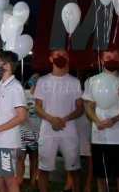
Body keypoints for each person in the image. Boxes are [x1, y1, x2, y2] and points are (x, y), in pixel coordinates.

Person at [83, 49, 119, 192]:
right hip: (100, 137)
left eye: (115, 57)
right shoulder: (92, 81)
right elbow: (88, 105)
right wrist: (97, 121)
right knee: (101, 176)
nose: (111, 60)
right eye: (108, 57)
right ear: (102, 60)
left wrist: (114, 120)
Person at [34, 49, 84, 192]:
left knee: (74, 169)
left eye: (64, 55)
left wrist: (64, 119)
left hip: (69, 130)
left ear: (68, 59)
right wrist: (52, 120)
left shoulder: (74, 82)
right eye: (57, 55)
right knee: (44, 169)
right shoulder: (43, 81)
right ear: (51, 59)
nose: (61, 57)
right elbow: (38, 107)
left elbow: (80, 108)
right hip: (47, 130)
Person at [0, 51, 27, 192]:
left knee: (9, 180)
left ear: (7, 65)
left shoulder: (15, 87)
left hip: (6, 142)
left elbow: (21, 116)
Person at [17, 72, 41, 190]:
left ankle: (32, 182)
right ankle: (19, 181)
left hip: (36, 132)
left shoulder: (42, 96)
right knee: (20, 157)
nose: (35, 80)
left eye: (37, 79)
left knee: (34, 158)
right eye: (34, 77)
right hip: (22, 131)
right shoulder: (24, 93)